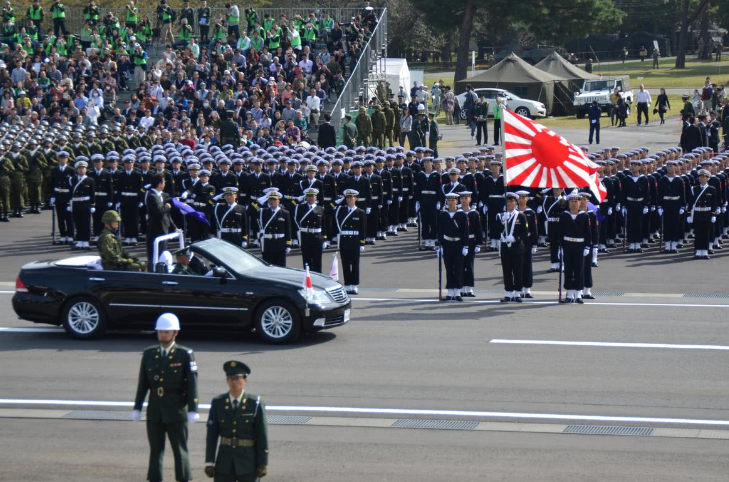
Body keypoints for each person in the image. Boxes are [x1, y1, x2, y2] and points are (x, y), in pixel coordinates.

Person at [132, 313, 199, 482]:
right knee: (155, 449)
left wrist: (193, 409)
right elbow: (143, 383)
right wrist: (137, 407)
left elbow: (192, 384)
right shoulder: (149, 354)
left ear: (175, 333)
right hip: (155, 408)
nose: (162, 334)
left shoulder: (184, 354)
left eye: (166, 332)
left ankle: (183, 479)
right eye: (160, 331)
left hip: (176, 408)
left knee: (179, 450)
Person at [205, 361, 268, 481]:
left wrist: (263, 462)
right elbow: (212, 435)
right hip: (225, 460)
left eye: (237, 378)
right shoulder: (218, 402)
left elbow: (262, 435)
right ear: (227, 381)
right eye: (230, 378)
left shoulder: (255, 403)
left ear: (245, 380)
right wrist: (209, 462)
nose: (233, 382)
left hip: (248, 460)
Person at [558, 190, 592, 303]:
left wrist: (587, 247)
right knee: (568, 269)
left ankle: (578, 294)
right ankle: (569, 294)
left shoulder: (584, 216)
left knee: (579, 270)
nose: (573, 203)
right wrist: (560, 247)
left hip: (579, 245)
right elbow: (560, 232)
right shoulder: (564, 215)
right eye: (571, 201)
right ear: (569, 203)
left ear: (579, 203)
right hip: (567, 245)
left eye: (575, 201)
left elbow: (588, 233)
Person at [496, 192, 528, 303]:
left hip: (517, 247)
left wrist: (515, 237)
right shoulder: (500, 216)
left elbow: (525, 232)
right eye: (508, 201)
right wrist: (502, 222)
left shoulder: (521, 216)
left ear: (515, 202)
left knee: (518, 271)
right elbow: (495, 231)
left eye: (512, 201)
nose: (509, 203)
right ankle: (508, 293)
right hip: (505, 246)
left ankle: (518, 293)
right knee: (507, 271)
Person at [437, 192, 468, 301]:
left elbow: (465, 231)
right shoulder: (443, 215)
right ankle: (450, 292)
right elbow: (440, 231)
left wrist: (465, 246)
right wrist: (440, 246)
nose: (450, 203)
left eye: (452, 200)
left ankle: (457, 292)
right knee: (449, 268)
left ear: (456, 201)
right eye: (448, 200)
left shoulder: (462, 215)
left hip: (458, 244)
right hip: (447, 244)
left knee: (458, 268)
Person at [335, 189, 366, 294]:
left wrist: (362, 243)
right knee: (345, 263)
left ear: (355, 199)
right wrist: (336, 202)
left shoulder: (360, 212)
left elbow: (363, 229)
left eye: (351, 198)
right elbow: (329, 211)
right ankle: (347, 285)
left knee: (355, 264)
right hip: (344, 240)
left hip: (355, 240)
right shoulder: (341, 210)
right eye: (347, 198)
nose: (349, 200)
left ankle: (354, 285)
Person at [146, 172, 177, 265]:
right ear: (159, 184)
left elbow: (166, 215)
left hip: (164, 228)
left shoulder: (161, 195)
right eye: (163, 182)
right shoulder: (152, 196)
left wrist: (174, 226)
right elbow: (159, 212)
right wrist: (167, 206)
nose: (164, 184)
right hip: (156, 229)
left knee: (162, 252)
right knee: (155, 254)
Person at [295, 187, 327, 273]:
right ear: (306, 197)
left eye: (312, 196)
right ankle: (307, 280)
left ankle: (317, 280)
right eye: (308, 196)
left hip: (317, 237)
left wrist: (324, 239)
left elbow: (324, 225)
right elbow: (296, 220)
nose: (310, 198)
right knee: (306, 261)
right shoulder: (300, 207)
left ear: (316, 197)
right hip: (305, 236)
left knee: (317, 261)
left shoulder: (321, 209)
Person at [258, 190, 292, 267]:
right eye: (270, 199)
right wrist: (259, 202)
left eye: (275, 200)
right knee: (268, 265)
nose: (272, 201)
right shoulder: (263, 212)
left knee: (280, 266)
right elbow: (250, 211)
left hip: (280, 243)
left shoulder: (285, 213)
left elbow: (288, 229)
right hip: (268, 243)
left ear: (278, 201)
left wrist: (288, 244)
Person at [689, 169, 718, 259]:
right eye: (700, 177)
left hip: (707, 213)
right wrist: (689, 214)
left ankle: (705, 252)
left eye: (703, 177)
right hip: (698, 213)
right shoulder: (694, 189)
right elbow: (690, 203)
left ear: (708, 178)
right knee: (698, 233)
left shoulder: (712, 189)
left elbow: (714, 203)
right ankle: (698, 251)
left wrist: (713, 214)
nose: (701, 179)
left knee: (706, 233)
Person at [70, 159, 96, 251]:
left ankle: (86, 242)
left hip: (85, 203)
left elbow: (92, 194)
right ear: (77, 170)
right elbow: (70, 193)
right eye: (79, 168)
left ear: (86, 170)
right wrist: (69, 204)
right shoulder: (72, 179)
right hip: (76, 203)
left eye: (83, 168)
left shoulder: (90, 180)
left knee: (86, 223)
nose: (81, 170)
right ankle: (80, 241)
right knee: (78, 222)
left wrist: (92, 205)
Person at [459, 191, 482, 297]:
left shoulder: (474, 213)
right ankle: (461, 287)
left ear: (470, 200)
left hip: (471, 241)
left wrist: (478, 243)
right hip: (460, 242)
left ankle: (469, 288)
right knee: (460, 265)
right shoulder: (458, 213)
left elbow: (478, 229)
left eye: (466, 198)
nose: (464, 200)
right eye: (462, 198)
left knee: (469, 265)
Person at [516, 191, 538, 298]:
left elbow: (534, 229)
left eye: (523, 197)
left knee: (527, 265)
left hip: (527, 240)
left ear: (527, 199)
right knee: (517, 265)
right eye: (519, 198)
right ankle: (519, 288)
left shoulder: (531, 213)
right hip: (516, 240)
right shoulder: (513, 212)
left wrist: (534, 244)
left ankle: (527, 289)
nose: (521, 199)